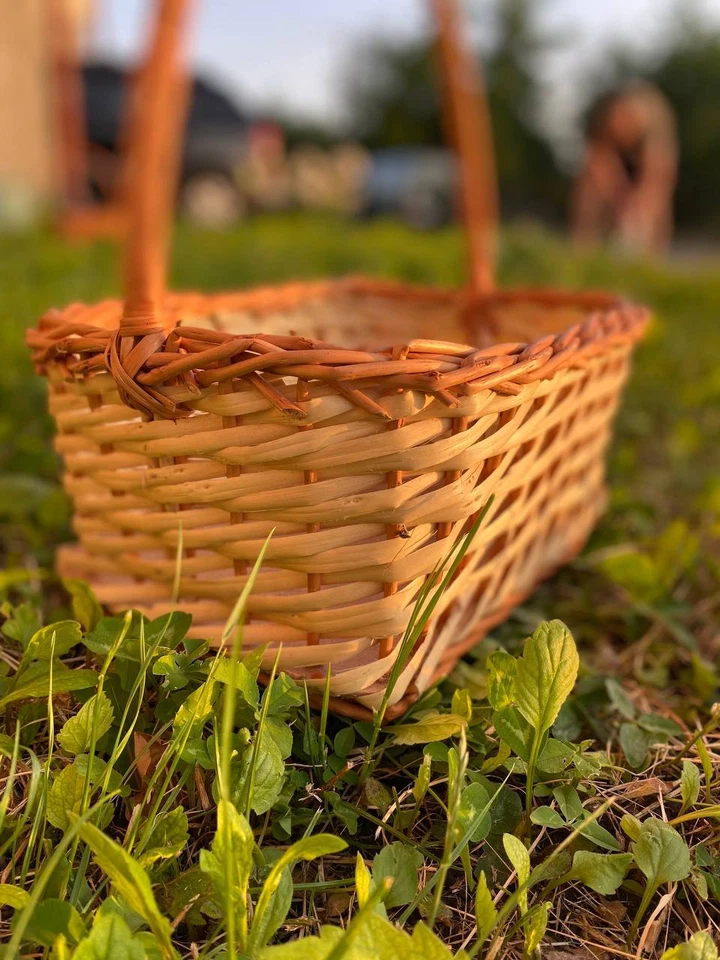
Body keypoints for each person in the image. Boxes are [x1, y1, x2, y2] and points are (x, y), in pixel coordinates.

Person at [571, 82, 678, 256]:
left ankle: (652, 259)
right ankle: (583, 252)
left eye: (627, 117)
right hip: (617, 178)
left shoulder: (656, 140)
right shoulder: (603, 132)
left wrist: (637, 217)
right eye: (618, 117)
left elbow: (656, 186)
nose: (622, 123)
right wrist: (619, 202)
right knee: (588, 190)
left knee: (654, 207)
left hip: (644, 179)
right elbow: (601, 170)